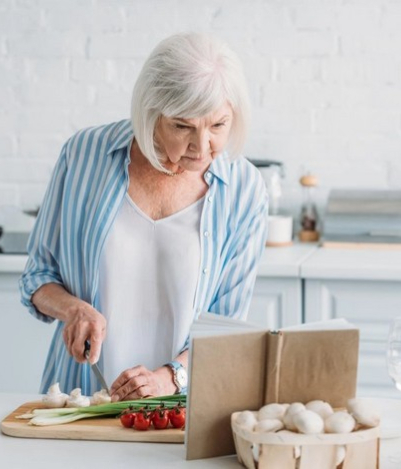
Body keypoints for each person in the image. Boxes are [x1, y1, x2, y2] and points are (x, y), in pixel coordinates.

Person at [19, 32, 268, 402]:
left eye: (218, 126)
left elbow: (227, 329)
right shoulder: (84, 155)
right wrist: (73, 308)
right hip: (79, 399)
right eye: (182, 126)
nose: (202, 148)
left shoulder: (244, 188)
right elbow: (37, 276)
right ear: (151, 112)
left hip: (181, 410)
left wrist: (169, 379)